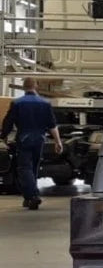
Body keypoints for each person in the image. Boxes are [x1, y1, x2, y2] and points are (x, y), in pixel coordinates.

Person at [0, 78, 63, 209]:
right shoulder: (45, 103)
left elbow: (8, 122)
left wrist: (3, 136)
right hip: (40, 139)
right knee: (33, 167)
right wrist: (58, 142)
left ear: (24, 87)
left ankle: (32, 196)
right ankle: (28, 197)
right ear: (36, 86)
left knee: (24, 168)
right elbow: (52, 125)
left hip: (24, 138)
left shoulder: (17, 103)